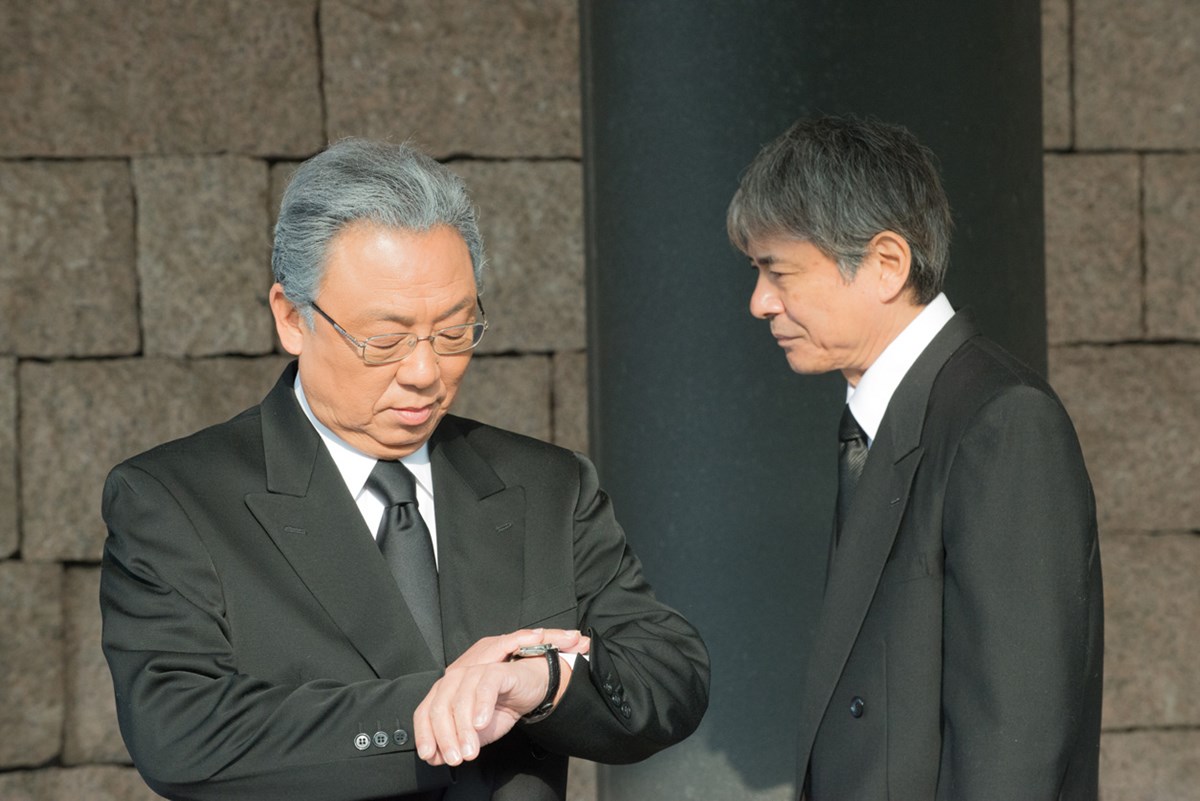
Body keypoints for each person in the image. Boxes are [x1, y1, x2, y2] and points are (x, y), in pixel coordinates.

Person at [100, 138, 709, 801]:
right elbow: (183, 733)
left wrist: (543, 682)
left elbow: (669, 674)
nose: (424, 371)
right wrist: (445, 705)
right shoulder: (176, 500)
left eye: (453, 332)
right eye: (384, 340)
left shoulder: (547, 486)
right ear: (292, 317)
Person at [727, 116, 1103, 799]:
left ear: (887, 264)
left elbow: (1014, 746)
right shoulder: (890, 417)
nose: (760, 302)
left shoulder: (1002, 422)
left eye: (778, 271)